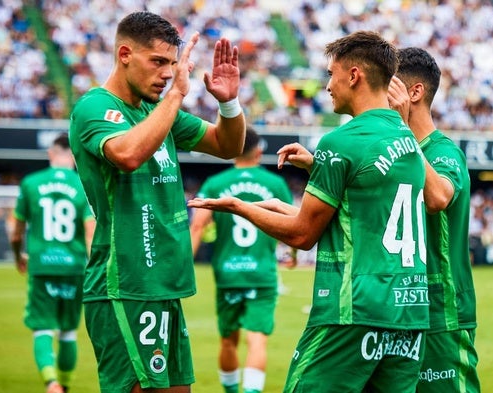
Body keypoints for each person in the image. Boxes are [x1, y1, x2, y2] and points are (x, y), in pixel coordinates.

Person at [189, 30, 429, 393]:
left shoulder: (341, 141)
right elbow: (360, 209)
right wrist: (318, 167)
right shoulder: (405, 136)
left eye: (331, 74)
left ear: (354, 76)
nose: (327, 86)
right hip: (409, 311)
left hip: (352, 310)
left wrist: (240, 207)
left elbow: (303, 235)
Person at [68, 11, 246, 393]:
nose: (168, 73)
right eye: (158, 62)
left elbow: (228, 145)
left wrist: (228, 105)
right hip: (125, 283)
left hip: (164, 285)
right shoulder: (93, 108)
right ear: (125, 54)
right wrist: (178, 94)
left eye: (172, 63)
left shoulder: (156, 111)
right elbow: (128, 154)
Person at [388, 47, 480, 393]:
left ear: (414, 93)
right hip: (400, 310)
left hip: (442, 313)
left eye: (389, 89)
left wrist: (401, 129)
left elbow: (439, 196)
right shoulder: (397, 150)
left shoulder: (443, 152)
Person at [189, 127, 295, 393]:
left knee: (227, 341)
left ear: (236, 150)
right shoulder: (275, 184)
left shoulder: (215, 183)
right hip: (261, 273)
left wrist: (185, 266)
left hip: (227, 274)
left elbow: (197, 227)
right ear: (259, 151)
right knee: (257, 340)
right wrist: (292, 255)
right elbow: (293, 223)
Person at [10, 132, 95, 393]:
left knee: (42, 328)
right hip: (74, 268)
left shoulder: (31, 183)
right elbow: (91, 231)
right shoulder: (84, 184)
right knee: (68, 332)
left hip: (42, 265)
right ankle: (66, 385)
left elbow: (16, 231)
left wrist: (18, 256)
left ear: (51, 153)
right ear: (74, 157)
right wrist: (94, 267)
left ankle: (51, 381)